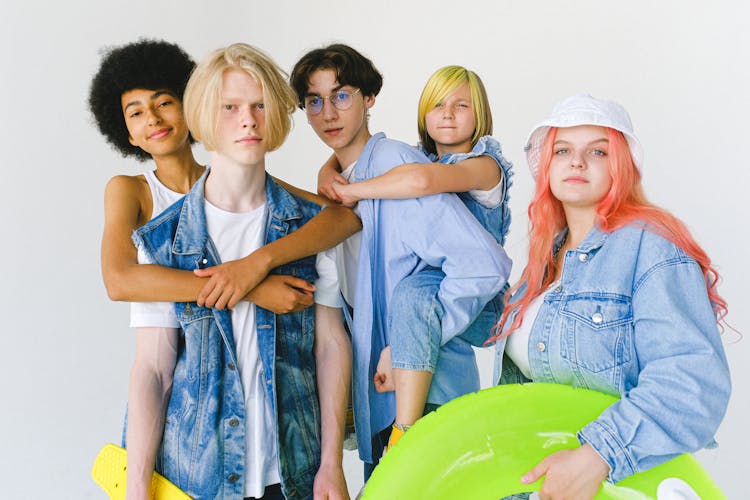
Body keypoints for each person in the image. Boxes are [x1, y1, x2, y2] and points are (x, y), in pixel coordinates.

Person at [95, 41, 353, 499]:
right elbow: (153, 370)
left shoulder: (312, 229)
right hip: (195, 476)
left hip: (295, 472)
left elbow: (331, 345)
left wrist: (331, 462)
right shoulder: (162, 238)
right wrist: (136, 490)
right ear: (203, 117)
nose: (248, 119)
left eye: (259, 105)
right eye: (229, 107)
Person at [491, 94, 731, 499]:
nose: (576, 162)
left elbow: (693, 383)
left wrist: (597, 455)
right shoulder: (544, 263)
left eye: (597, 151)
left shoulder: (651, 248)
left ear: (620, 166)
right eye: (562, 150)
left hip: (622, 486)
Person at [290, 44, 512, 475]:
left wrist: (406, 348)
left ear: (369, 98)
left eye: (341, 95)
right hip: (381, 399)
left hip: (428, 395)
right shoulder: (356, 176)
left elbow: (482, 265)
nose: (328, 113)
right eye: (314, 101)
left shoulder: (398, 165)